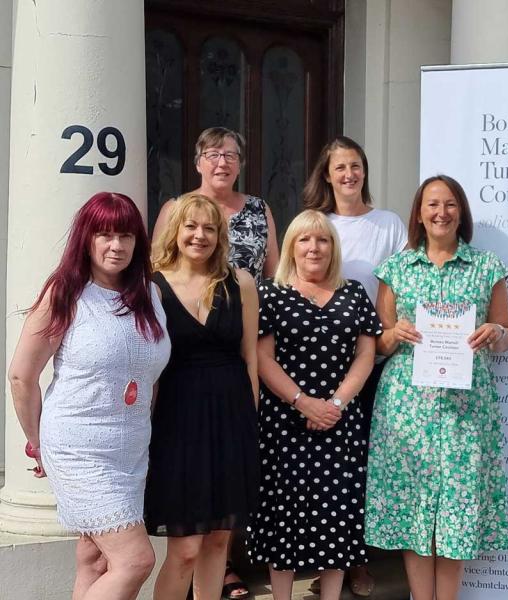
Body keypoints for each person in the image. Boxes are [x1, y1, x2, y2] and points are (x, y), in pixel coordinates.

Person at [8, 192, 170, 600]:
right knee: (136, 560)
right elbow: (21, 376)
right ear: (86, 238)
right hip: (79, 447)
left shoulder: (150, 296)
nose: (116, 246)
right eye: (105, 235)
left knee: (97, 559)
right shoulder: (65, 293)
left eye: (126, 236)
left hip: (131, 450)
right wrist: (38, 443)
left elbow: (148, 375)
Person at [364, 175, 508, 600]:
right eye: (432, 204)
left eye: (450, 204)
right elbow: (379, 341)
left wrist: (494, 331)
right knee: (416, 507)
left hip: (466, 406)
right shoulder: (396, 268)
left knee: (455, 510)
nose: (441, 213)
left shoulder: (487, 266)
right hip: (408, 405)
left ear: (461, 212)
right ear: (418, 213)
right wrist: (398, 333)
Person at [152, 126, 276, 598]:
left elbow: (250, 358)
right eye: (191, 227)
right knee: (183, 548)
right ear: (175, 231)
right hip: (176, 419)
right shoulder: (153, 286)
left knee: (220, 539)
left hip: (231, 417)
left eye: (209, 228)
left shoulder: (240, 282)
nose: (200, 235)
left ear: (219, 234)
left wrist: (252, 419)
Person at [246, 209, 382, 600]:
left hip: (341, 421)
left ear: (332, 247)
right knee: (284, 513)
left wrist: (336, 403)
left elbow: (364, 356)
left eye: (322, 239)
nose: (314, 247)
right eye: (305, 239)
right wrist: (303, 402)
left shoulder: (353, 292)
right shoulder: (269, 293)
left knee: (337, 513)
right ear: (291, 246)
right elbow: (263, 357)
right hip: (284, 421)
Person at [303, 136, 406, 597]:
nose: (349, 174)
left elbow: (403, 281)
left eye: (356, 166)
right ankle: (323, 562)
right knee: (324, 471)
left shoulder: (388, 224)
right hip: (318, 368)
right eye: (340, 167)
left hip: (377, 359)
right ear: (327, 174)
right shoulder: (315, 224)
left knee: (365, 466)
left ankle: (358, 561)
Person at [152, 126, 279, 282]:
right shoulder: (175, 208)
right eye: (213, 155)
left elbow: (274, 274)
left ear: (240, 165)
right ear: (198, 164)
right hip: (190, 304)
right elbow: (158, 266)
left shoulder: (259, 209)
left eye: (230, 155)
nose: (222, 162)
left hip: (250, 304)